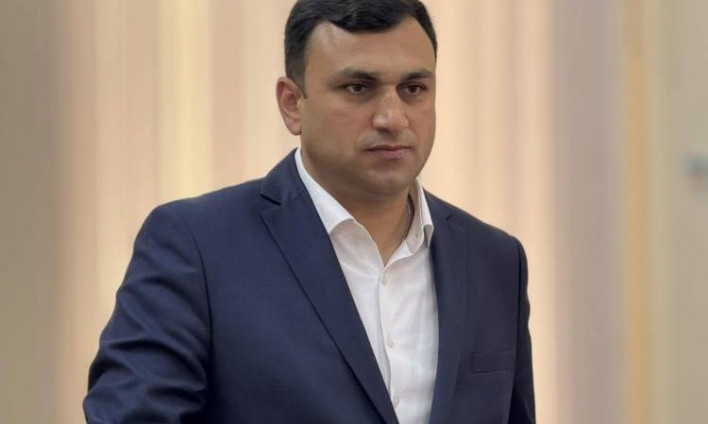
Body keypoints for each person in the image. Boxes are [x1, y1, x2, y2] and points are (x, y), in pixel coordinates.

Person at [83, 0, 535, 423]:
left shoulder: (496, 260)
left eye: (413, 89)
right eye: (358, 88)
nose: (392, 117)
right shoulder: (196, 246)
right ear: (291, 104)